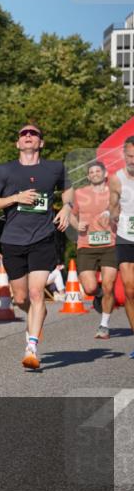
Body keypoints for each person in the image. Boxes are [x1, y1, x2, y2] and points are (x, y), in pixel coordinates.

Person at [0, 123, 71, 370]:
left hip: (42, 238)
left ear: (41, 143)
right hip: (12, 241)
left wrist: (67, 207)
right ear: (18, 143)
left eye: (34, 134)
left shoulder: (54, 168)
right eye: (24, 134)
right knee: (21, 297)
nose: (29, 136)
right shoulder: (5, 171)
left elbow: (69, 189)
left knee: (36, 293)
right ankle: (34, 316)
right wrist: (15, 198)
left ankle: (31, 346)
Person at [71, 160, 117, 338]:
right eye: (91, 172)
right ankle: (98, 295)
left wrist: (111, 213)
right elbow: (71, 215)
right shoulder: (79, 193)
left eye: (98, 171)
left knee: (109, 285)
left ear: (105, 174)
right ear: (88, 176)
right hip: (86, 245)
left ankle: (104, 325)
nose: (95, 173)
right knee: (89, 288)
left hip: (110, 245)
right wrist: (77, 224)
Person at [108, 135, 134, 358]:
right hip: (127, 235)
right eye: (129, 156)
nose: (133, 160)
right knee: (129, 290)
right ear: (124, 156)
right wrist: (110, 215)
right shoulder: (116, 179)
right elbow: (113, 205)